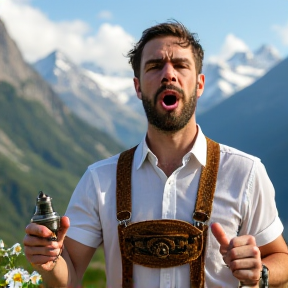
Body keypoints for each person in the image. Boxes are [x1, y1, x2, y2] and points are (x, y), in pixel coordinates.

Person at [24, 20, 288, 288]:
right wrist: (50, 262)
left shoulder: (246, 173)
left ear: (199, 84)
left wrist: (261, 272)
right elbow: (70, 274)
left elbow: (282, 259)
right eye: (154, 66)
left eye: (181, 65)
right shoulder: (99, 180)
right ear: (138, 87)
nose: (168, 74)